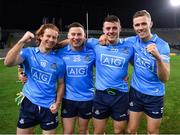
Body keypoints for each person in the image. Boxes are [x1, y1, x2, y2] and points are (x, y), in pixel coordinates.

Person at [4, 23, 65, 134]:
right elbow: (7, 63)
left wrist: (57, 103)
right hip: (29, 103)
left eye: (54, 37)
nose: (51, 39)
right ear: (41, 36)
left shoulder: (59, 62)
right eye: (48, 36)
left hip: (49, 106)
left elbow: (61, 84)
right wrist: (22, 41)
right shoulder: (28, 52)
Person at [85, 15, 134, 134]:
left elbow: (138, 66)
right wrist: (57, 45)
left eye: (114, 28)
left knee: (119, 131)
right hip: (101, 95)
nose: (111, 31)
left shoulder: (129, 46)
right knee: (98, 132)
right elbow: (73, 40)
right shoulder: (95, 44)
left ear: (120, 29)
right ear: (103, 29)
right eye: (108, 28)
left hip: (120, 96)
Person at [127, 10, 170, 134]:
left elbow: (165, 78)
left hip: (154, 95)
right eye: (137, 25)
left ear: (150, 24)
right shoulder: (132, 41)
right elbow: (113, 42)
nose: (140, 28)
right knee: (131, 130)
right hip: (136, 92)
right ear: (134, 27)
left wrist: (158, 58)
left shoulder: (162, 45)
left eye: (143, 24)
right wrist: (103, 37)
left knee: (152, 132)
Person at [57, 22, 95, 134]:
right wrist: (22, 72)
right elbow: (42, 58)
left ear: (84, 37)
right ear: (68, 36)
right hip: (68, 99)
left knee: (83, 130)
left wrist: (123, 75)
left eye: (79, 34)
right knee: (68, 132)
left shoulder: (92, 52)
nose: (76, 37)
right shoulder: (60, 52)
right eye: (73, 34)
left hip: (87, 99)